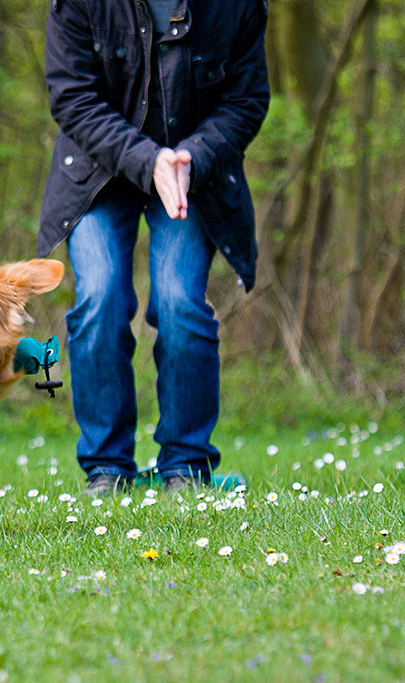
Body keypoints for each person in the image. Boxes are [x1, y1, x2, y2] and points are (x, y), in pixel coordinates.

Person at [38, 0, 270, 495]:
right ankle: (106, 468)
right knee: (100, 297)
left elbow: (246, 100)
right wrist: (149, 160)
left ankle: (186, 466)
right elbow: (72, 97)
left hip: (192, 174)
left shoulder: (238, 6)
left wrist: (192, 157)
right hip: (99, 173)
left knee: (180, 301)